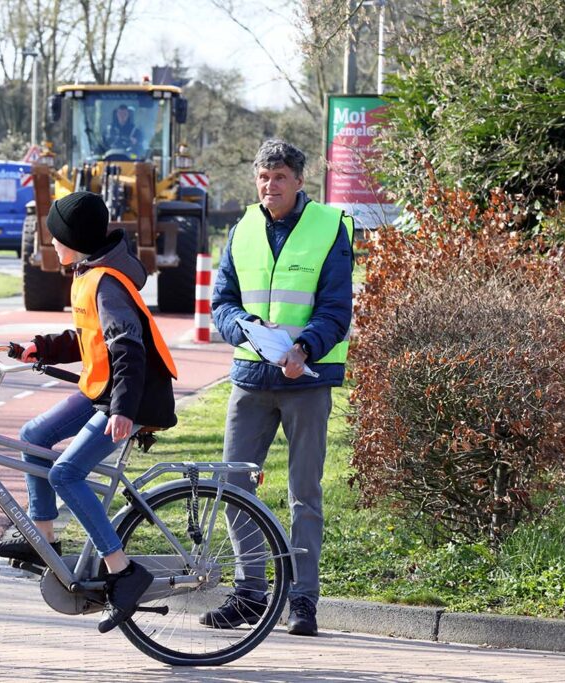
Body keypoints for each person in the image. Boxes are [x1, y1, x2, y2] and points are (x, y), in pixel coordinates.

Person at [0, 190, 179, 633]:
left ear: (73, 239)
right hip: (106, 389)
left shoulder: (107, 283)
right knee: (33, 435)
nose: (51, 243)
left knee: (65, 474)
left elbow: (128, 350)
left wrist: (122, 410)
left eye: (55, 236)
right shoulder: (87, 274)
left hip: (132, 396)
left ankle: (123, 571)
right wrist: (36, 348)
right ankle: (42, 538)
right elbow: (87, 341)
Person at [204, 139, 353, 636]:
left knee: (303, 494)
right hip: (251, 378)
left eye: (281, 177)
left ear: (299, 180)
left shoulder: (329, 227)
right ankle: (249, 594)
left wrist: (303, 349)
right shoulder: (242, 229)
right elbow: (221, 301)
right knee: (233, 486)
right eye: (264, 177)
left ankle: (303, 601)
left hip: (306, 380)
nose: (271, 186)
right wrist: (243, 324)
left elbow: (336, 308)